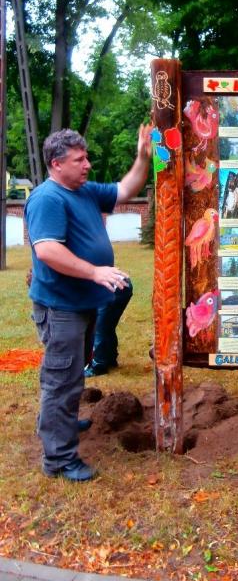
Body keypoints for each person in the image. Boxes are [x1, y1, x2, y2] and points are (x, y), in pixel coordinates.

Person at [25, 125, 153, 481]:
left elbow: (126, 189)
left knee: (73, 371)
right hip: (61, 307)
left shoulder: (84, 191)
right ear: (56, 164)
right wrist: (95, 272)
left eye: (86, 158)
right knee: (62, 380)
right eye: (79, 160)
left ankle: (59, 423)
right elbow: (47, 250)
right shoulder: (47, 199)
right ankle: (59, 459)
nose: (87, 165)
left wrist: (142, 156)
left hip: (81, 305)